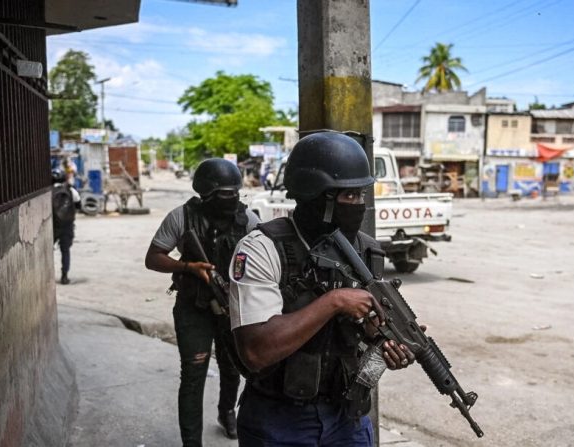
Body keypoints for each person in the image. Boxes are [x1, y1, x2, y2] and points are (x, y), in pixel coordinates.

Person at [228, 132, 415, 446]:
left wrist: (385, 342)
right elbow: (256, 352)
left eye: (361, 196)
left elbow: (365, 337)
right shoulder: (262, 249)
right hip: (279, 421)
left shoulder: (367, 252)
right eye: (348, 196)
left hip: (347, 418)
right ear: (317, 197)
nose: (358, 205)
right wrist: (334, 301)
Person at [145, 158, 259, 446]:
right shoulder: (181, 217)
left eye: (235, 192)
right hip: (193, 306)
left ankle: (226, 412)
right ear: (206, 194)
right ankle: (191, 442)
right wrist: (188, 268)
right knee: (194, 374)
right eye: (224, 194)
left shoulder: (248, 220)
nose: (232, 199)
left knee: (233, 367)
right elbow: (153, 258)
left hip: (232, 306)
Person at [52, 168, 81, 285]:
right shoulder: (71, 190)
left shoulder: (48, 191)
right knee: (65, 251)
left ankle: (48, 275)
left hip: (52, 226)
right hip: (67, 226)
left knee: (48, 251)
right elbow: (78, 205)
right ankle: (64, 276)